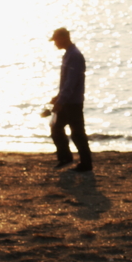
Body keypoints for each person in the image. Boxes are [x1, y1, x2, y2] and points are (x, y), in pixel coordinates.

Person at [48, 27, 93, 172]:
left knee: (63, 130)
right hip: (71, 100)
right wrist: (58, 96)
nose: (55, 43)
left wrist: (61, 101)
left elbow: (71, 82)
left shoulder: (74, 56)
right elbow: (67, 81)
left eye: (56, 40)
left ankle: (69, 159)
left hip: (71, 102)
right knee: (74, 132)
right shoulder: (70, 54)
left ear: (64, 38)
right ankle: (78, 161)